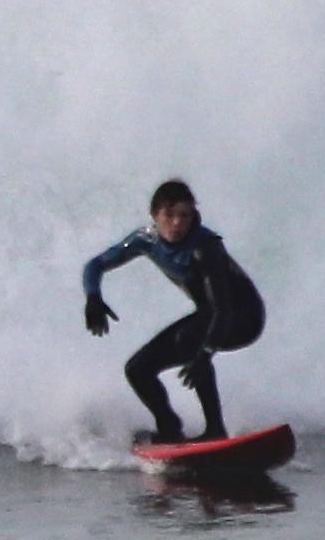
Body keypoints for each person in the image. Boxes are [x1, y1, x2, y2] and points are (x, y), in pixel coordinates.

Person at [82, 178, 264, 444]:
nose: (177, 223)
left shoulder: (205, 248)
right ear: (154, 215)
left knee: (189, 339)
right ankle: (169, 427)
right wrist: (93, 297)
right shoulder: (145, 239)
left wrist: (205, 354)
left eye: (185, 216)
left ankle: (215, 429)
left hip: (243, 318)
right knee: (137, 369)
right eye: (169, 215)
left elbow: (222, 309)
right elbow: (95, 265)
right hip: (209, 318)